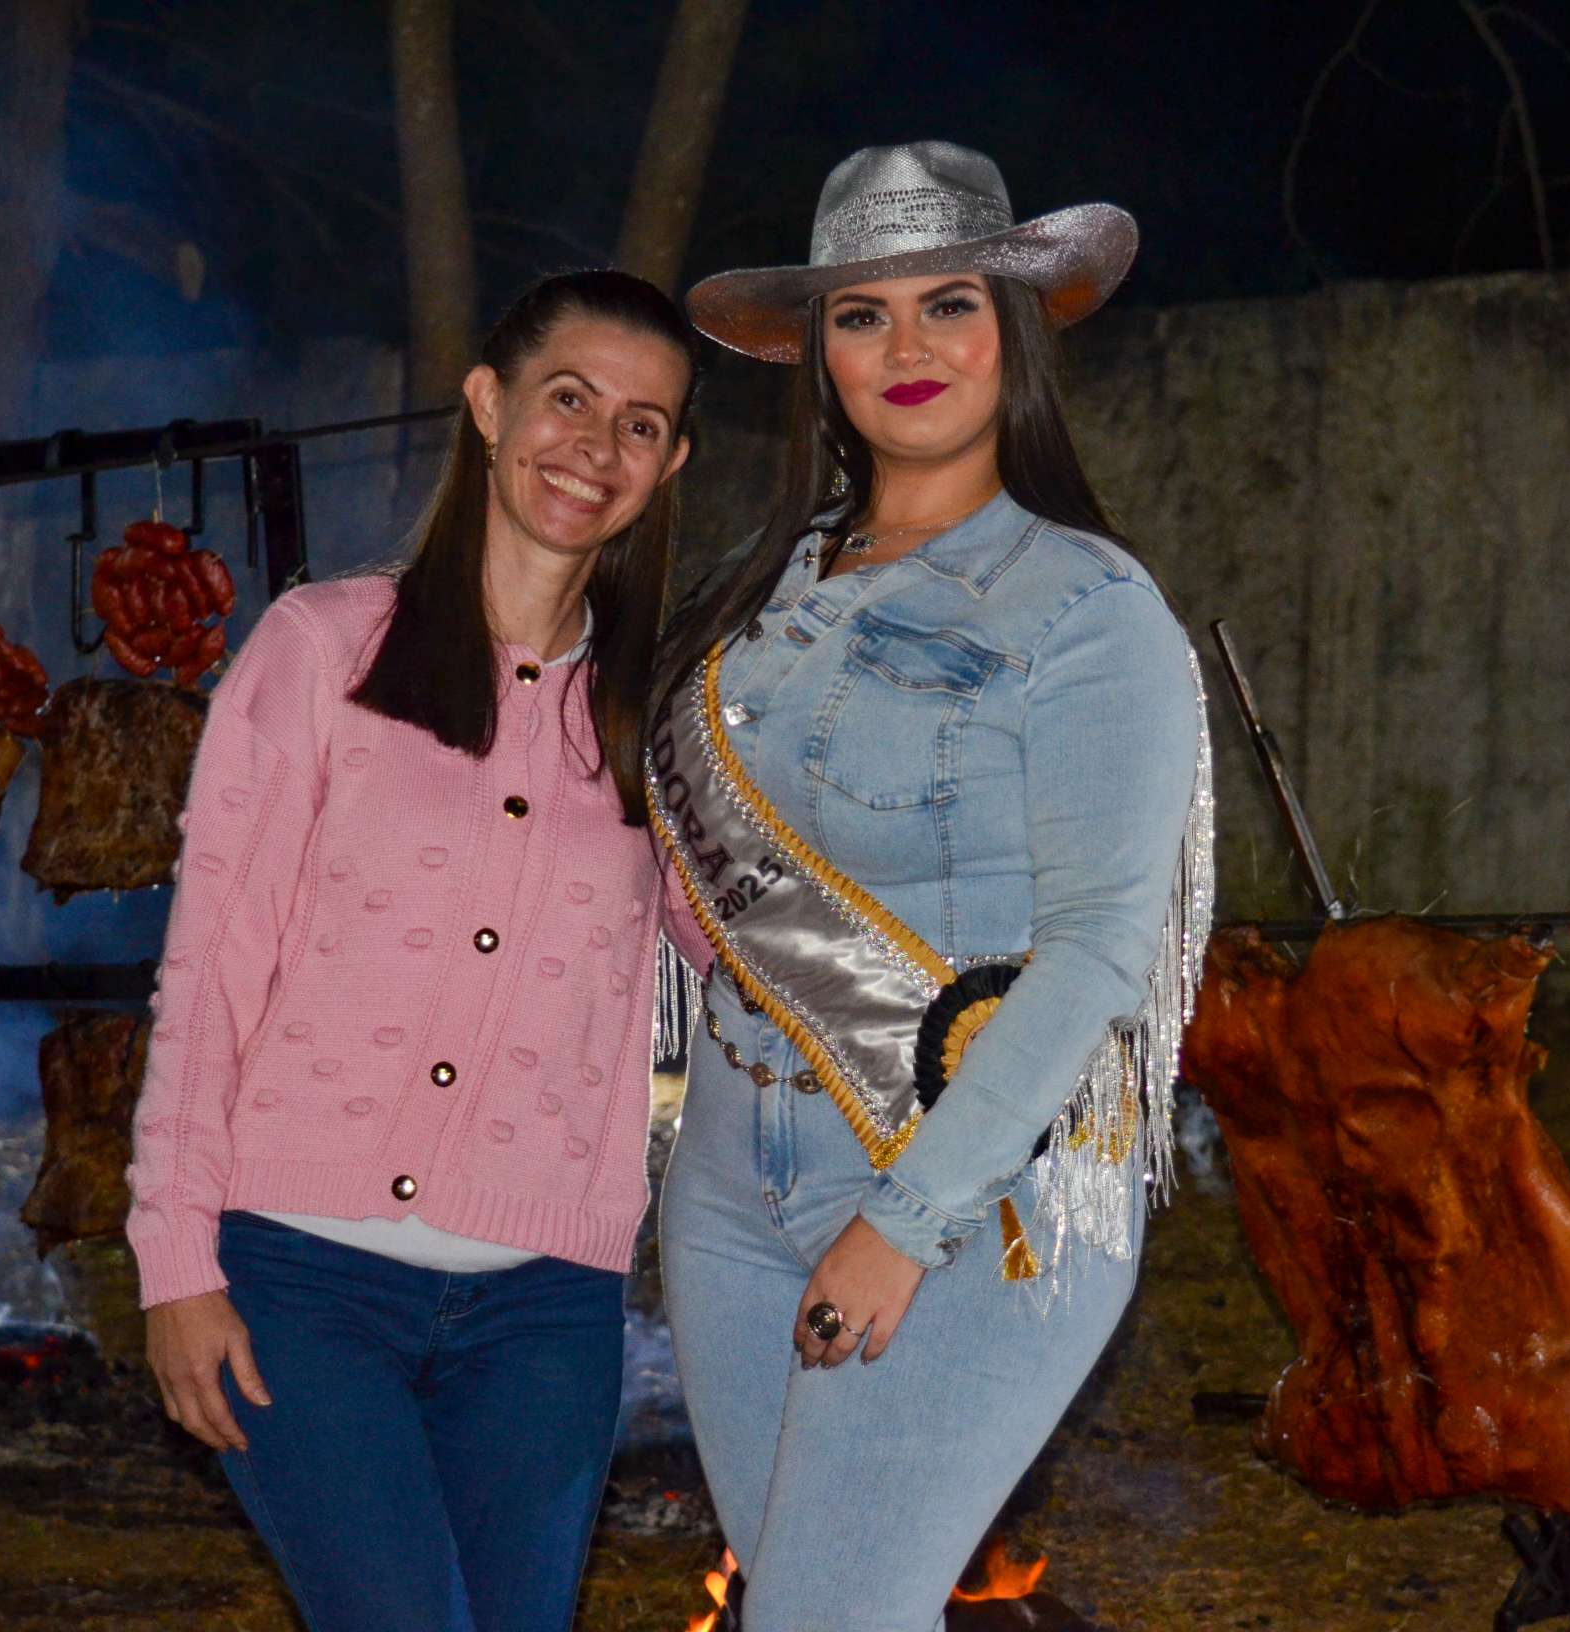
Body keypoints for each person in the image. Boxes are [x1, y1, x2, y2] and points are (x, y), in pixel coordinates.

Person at [650, 143, 1214, 1630]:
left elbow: (1099, 953)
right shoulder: (767, 584)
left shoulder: (1090, 607)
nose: (907, 347)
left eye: (948, 303)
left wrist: (902, 1221)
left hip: (973, 1192)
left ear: (1012, 329)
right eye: (861, 314)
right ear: (819, 354)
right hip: (726, 1183)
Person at [123, 268, 712, 1632]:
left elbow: (750, 952)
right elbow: (210, 975)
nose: (596, 446)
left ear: (671, 464)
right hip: (302, 1286)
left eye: (640, 425)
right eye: (568, 399)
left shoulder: (669, 719)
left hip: (547, 1317)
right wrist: (175, 1262)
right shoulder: (322, 649)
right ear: (490, 404)